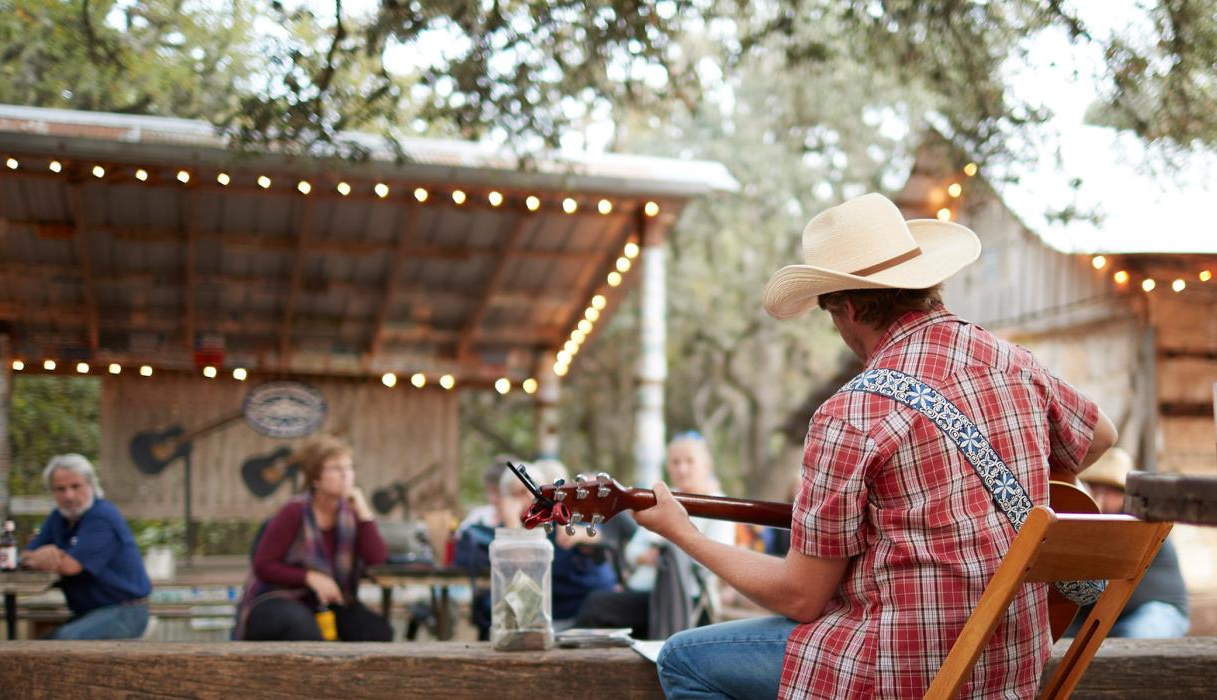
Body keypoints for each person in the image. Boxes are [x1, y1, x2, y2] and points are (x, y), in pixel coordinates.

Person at [634, 193, 1118, 699]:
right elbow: (1100, 436)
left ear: (848, 309)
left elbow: (800, 597)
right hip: (1010, 667)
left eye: (829, 313)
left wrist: (683, 533)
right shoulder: (1012, 361)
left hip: (902, 674)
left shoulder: (852, 413)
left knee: (682, 658)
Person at [570, 432, 737, 639]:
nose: (682, 469)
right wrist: (647, 557)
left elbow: (718, 560)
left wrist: (671, 555)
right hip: (642, 593)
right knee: (598, 603)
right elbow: (632, 550)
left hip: (683, 598)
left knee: (596, 605)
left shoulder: (720, 505)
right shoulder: (663, 500)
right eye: (675, 462)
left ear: (706, 465)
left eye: (689, 461)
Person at [235, 435, 393, 641]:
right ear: (315, 478)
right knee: (301, 626)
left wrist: (364, 513)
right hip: (278, 599)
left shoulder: (352, 515)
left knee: (378, 631)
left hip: (328, 603)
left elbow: (377, 562)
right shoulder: (294, 511)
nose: (346, 475)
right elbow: (263, 566)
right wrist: (310, 577)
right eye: (336, 468)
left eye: (349, 468)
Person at [455, 459, 618, 639]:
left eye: (532, 490)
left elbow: (598, 535)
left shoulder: (558, 516)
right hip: (542, 612)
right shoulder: (507, 529)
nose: (528, 497)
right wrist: (512, 523)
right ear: (507, 500)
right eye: (518, 493)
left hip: (579, 607)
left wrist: (580, 534)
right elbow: (520, 569)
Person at [22, 454, 153, 640]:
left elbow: (71, 566)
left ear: (91, 485)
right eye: (60, 489)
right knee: (40, 645)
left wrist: (42, 557)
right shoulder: (58, 517)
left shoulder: (102, 515)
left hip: (125, 611)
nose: (69, 496)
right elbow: (26, 554)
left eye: (75, 486)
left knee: (62, 643)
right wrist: (35, 558)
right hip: (88, 612)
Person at [1069, 447, 1189, 638]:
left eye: (1106, 490)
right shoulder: (1084, 523)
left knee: (1135, 635)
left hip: (1155, 611)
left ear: (1124, 494)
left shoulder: (1139, 522)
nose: (1098, 496)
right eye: (1093, 487)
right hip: (1097, 619)